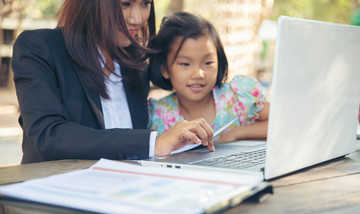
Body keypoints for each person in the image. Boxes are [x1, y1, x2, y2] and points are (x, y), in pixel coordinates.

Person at [12, 0, 214, 164]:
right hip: (56, 192)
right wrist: (153, 143)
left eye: (146, 3)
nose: (137, 18)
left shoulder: (135, 65)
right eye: (125, 3)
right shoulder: (39, 48)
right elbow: (48, 135)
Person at [147, 12, 269, 143]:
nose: (198, 74)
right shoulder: (156, 116)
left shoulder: (237, 98)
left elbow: (281, 121)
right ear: (165, 69)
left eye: (207, 63)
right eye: (185, 64)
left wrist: (238, 133)